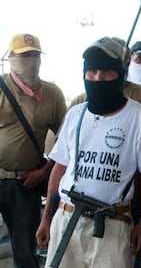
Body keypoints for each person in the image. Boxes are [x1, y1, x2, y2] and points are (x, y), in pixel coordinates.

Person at [36, 37, 141, 268]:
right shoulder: (76, 114)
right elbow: (61, 166)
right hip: (67, 219)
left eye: (106, 72)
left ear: (120, 74)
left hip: (113, 223)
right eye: (91, 72)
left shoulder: (137, 115)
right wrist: (47, 217)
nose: (97, 79)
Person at [0, 33, 66, 268]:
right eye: (24, 55)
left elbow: (64, 139)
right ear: (10, 58)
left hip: (25, 182)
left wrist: (45, 170)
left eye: (35, 55)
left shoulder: (52, 94)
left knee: (25, 250)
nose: (31, 60)